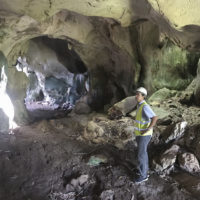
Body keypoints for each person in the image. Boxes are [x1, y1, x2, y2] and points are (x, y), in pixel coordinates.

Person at [134, 87, 158, 183]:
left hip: (144, 135)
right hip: (140, 134)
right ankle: (144, 170)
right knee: (143, 153)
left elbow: (155, 117)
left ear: (143, 96)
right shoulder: (139, 105)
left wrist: (148, 129)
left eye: (138, 94)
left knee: (141, 154)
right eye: (136, 94)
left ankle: (143, 176)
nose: (136, 96)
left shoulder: (145, 106)